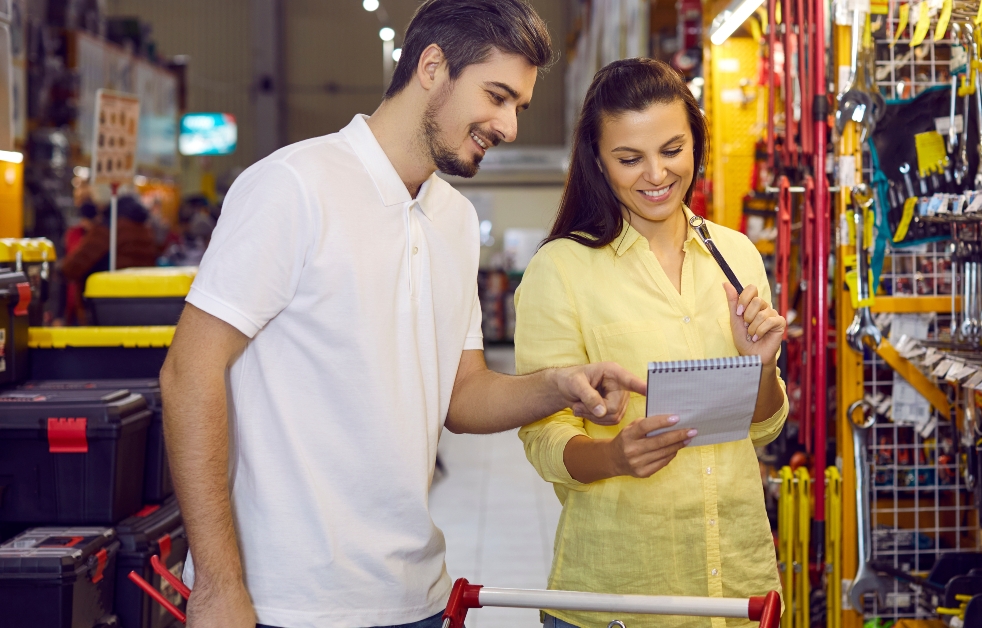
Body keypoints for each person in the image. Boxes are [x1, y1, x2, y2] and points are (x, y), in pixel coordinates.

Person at [159, 2, 645, 628]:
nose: (508, 126)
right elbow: (188, 372)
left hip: (414, 597)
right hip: (286, 602)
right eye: (496, 96)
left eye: (517, 106)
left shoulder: (455, 220)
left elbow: (462, 397)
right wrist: (218, 585)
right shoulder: (293, 186)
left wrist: (556, 388)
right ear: (432, 66)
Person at [515, 58, 788, 628]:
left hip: (737, 587)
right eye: (629, 158)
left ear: (696, 142)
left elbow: (762, 427)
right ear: (597, 161)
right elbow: (543, 437)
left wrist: (760, 367)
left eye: (671, 149)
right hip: (618, 597)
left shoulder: (736, 256)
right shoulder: (561, 269)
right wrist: (613, 456)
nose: (656, 174)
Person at [59, 195, 160, 283]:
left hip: (108, 296)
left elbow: (72, 267)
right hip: (140, 293)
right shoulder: (145, 228)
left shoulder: (108, 227)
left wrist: (59, 269)